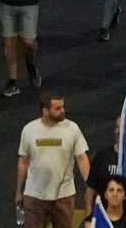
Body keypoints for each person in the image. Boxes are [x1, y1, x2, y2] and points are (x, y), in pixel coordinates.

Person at [16, 92, 91, 228]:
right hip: (34, 195)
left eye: (63, 107)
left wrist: (91, 186)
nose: (63, 111)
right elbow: (23, 162)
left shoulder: (72, 129)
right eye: (57, 108)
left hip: (63, 195)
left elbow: (82, 160)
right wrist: (19, 192)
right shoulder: (29, 130)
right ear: (45, 111)